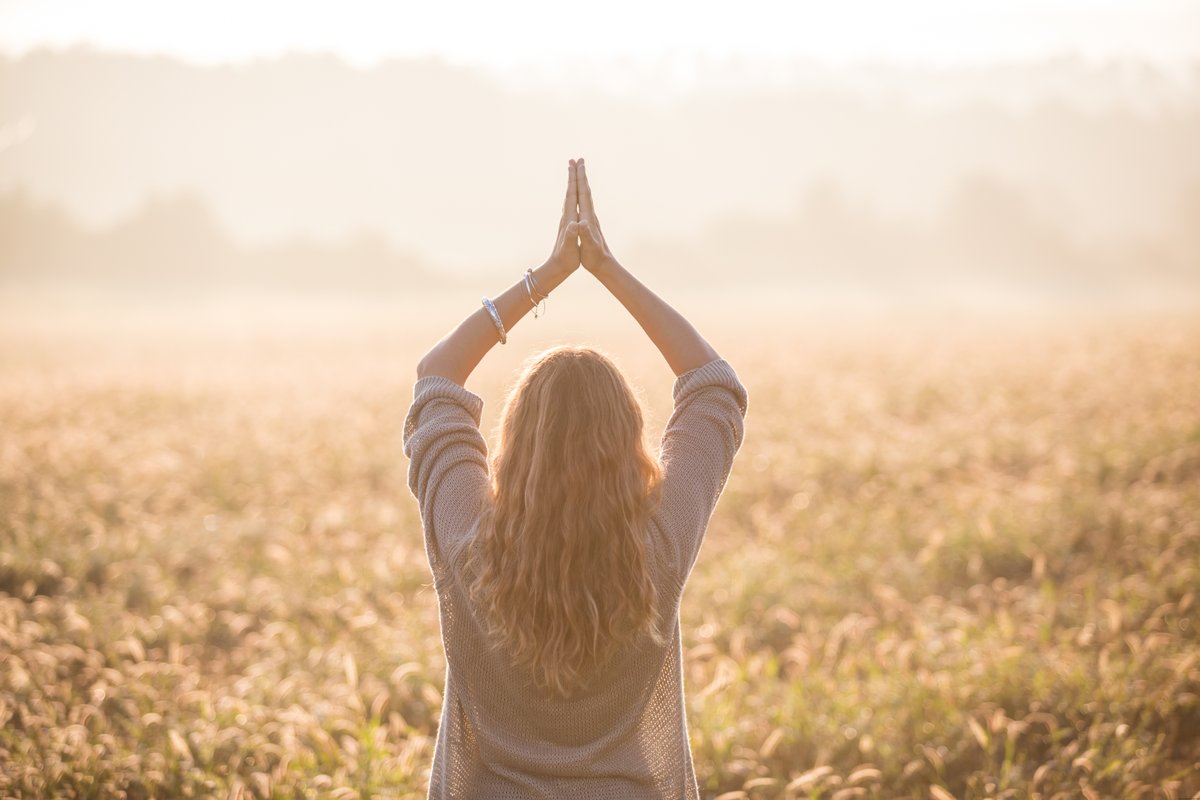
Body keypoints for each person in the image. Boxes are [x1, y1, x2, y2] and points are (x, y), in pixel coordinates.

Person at [403, 158, 748, 798]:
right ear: (627, 443)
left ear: (516, 443)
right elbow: (714, 388)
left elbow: (437, 379)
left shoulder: (469, 543)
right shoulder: (658, 549)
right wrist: (607, 271)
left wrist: (548, 276)